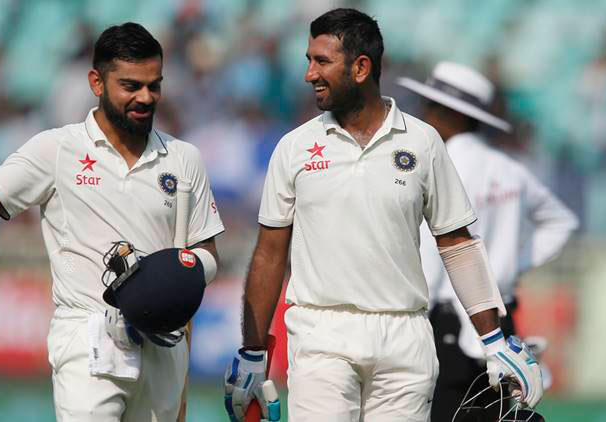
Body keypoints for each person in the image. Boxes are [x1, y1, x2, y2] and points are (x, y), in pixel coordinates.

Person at [223, 8, 543, 422]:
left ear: (361, 67)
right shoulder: (294, 147)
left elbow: (457, 243)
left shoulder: (424, 143)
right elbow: (269, 254)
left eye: (322, 61)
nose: (309, 74)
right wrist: (252, 351)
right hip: (322, 334)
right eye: (308, 60)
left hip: (405, 336)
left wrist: (495, 339)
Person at [0, 23, 225, 422]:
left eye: (154, 86)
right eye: (131, 85)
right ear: (96, 82)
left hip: (163, 346)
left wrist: (178, 282)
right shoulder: (58, 148)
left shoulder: (184, 158)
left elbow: (203, 256)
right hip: (90, 340)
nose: (145, 97)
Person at [397, 61, 579, 421]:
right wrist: (511, 264)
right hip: (501, 316)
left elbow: (432, 255)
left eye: (429, 105)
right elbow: (561, 222)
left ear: (450, 113)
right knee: (490, 412)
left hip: (445, 319)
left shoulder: (436, 165)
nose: (422, 113)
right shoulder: (509, 168)